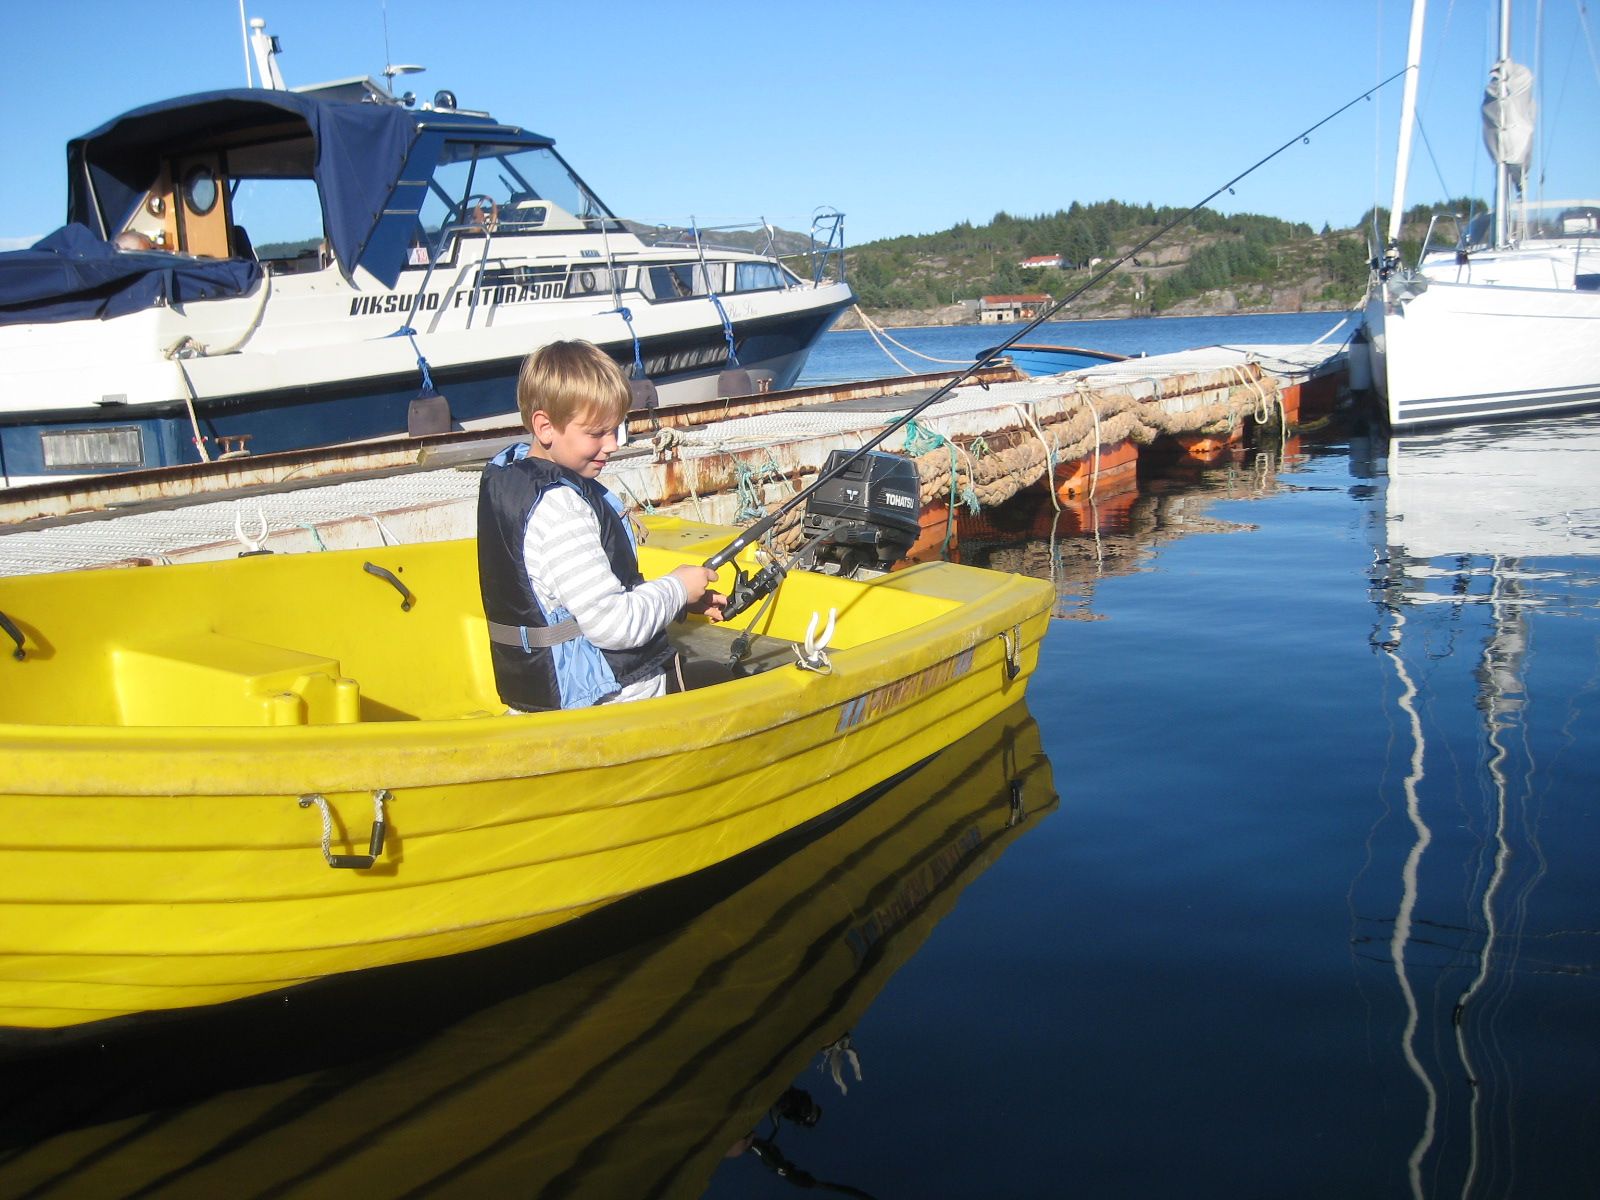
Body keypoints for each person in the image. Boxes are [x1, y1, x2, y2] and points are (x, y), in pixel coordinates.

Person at [477, 340, 724, 710]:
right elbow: (614, 625)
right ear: (545, 426)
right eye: (596, 433)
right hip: (608, 702)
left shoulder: (513, 479)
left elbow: (573, 607)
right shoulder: (561, 510)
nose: (611, 445)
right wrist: (677, 587)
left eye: (617, 429)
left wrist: (679, 602)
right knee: (741, 680)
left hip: (544, 695)